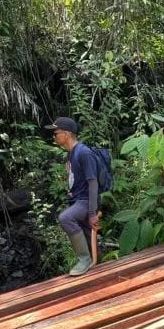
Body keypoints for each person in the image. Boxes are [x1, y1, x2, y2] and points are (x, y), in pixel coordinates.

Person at [45, 117, 99, 276]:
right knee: (89, 241)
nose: (54, 137)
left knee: (65, 218)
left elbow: (93, 183)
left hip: (87, 201)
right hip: (78, 199)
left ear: (66, 134)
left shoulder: (83, 153)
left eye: (55, 133)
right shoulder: (72, 154)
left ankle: (84, 259)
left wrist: (92, 212)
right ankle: (95, 265)